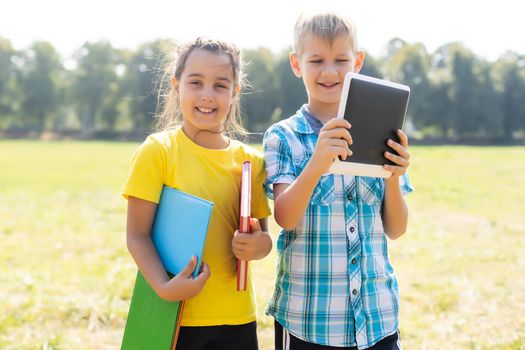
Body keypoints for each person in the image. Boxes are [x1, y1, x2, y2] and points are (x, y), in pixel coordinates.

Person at [263, 12, 413, 350]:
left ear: (357, 62)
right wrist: (318, 163)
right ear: (296, 63)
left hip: (377, 318)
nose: (329, 71)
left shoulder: (384, 131)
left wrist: (393, 176)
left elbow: (397, 228)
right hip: (309, 321)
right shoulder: (284, 137)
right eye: (316, 60)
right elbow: (285, 217)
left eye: (340, 60)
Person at [122, 37, 272, 350]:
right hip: (173, 318)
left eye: (220, 85)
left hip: (237, 320)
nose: (207, 95)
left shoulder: (250, 161)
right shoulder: (158, 152)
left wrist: (256, 245)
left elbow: (264, 240)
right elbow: (137, 235)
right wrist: (164, 288)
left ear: (235, 93)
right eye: (195, 82)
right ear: (176, 86)